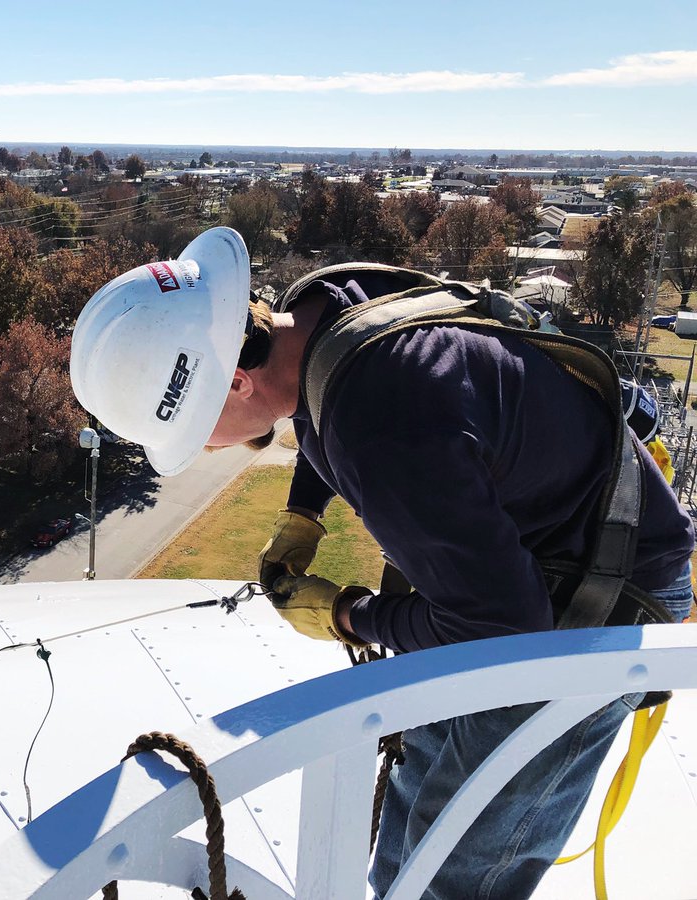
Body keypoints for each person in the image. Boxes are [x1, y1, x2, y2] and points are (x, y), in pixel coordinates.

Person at [69, 226, 694, 899]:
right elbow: (324, 401)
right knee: (412, 801)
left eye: (195, 432)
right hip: (547, 554)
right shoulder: (325, 304)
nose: (209, 450)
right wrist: (302, 512)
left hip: (593, 605)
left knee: (457, 867)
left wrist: (347, 615)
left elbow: (503, 630)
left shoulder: (382, 423)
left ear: (238, 382)